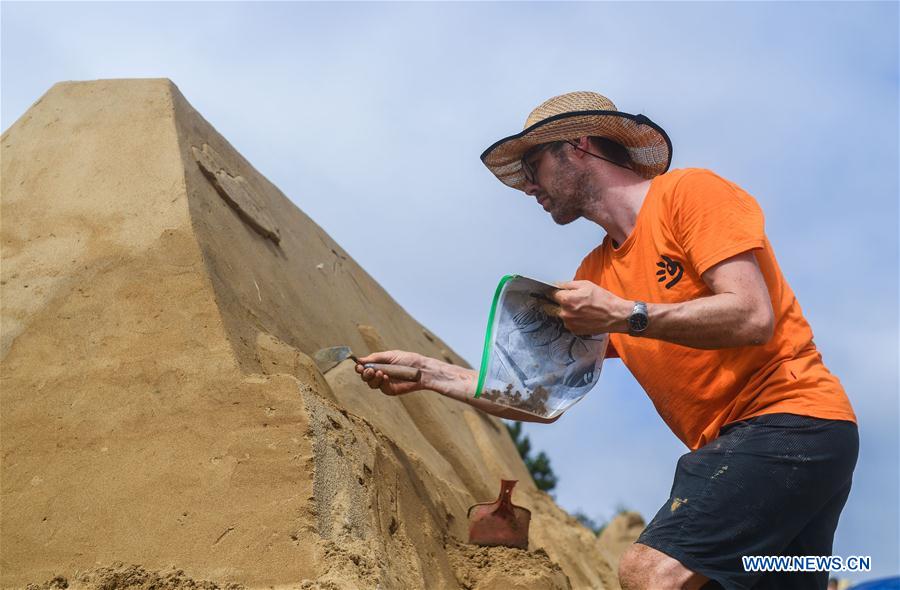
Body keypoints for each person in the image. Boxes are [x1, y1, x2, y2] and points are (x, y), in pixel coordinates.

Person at [355, 91, 858, 589]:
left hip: (792, 422)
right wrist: (427, 373)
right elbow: (535, 393)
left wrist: (624, 314)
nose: (528, 185)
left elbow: (751, 316)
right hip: (757, 444)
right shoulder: (595, 273)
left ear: (578, 145)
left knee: (649, 572)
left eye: (533, 163)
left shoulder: (689, 194)